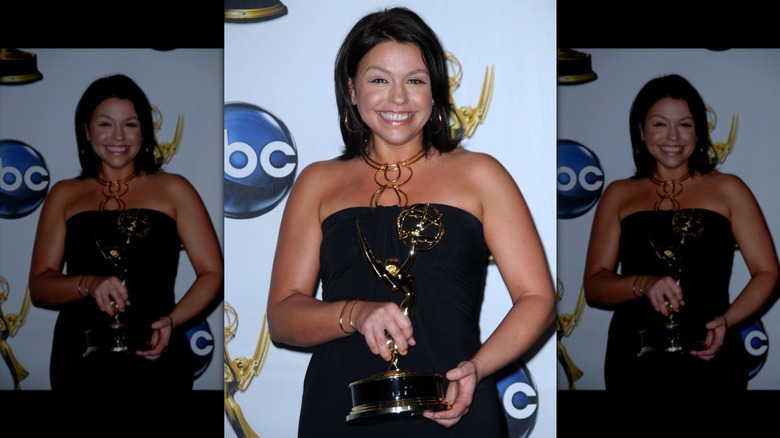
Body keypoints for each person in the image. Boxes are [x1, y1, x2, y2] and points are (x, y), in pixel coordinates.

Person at [266, 7, 555, 437]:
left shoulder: (480, 175)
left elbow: (537, 298)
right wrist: (356, 312)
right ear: (351, 89)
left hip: (454, 406)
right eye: (379, 79)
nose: (398, 98)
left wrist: (476, 369)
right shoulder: (318, 182)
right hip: (342, 410)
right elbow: (283, 315)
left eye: (415, 80)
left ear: (434, 91)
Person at [583, 74, 779, 394]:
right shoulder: (618, 195)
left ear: (699, 131)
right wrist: (643, 283)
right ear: (641, 130)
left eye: (685, 124)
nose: (672, 136)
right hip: (634, 358)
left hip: (710, 354)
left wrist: (727, 322)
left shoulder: (729, 189)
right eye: (660, 124)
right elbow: (594, 285)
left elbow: (767, 272)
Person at [28, 74, 223, 391]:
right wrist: (88, 284)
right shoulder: (63, 195)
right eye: (105, 124)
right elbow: (39, 285)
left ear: (144, 131)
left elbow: (212, 272)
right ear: (86, 130)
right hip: (79, 358)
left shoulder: (174, 190)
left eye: (130, 124)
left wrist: (172, 321)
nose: (118, 136)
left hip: (154, 354)